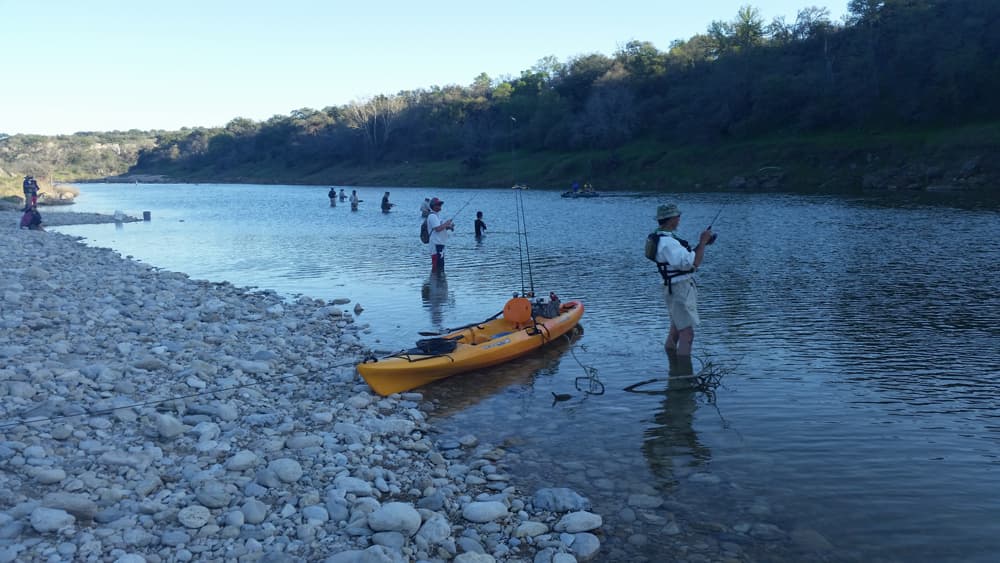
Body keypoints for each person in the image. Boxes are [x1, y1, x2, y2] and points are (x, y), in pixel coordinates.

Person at [652, 203, 713, 356]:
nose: (679, 219)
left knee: (676, 329)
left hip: (673, 287)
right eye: (678, 217)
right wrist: (703, 242)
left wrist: (701, 244)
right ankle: (684, 373)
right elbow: (693, 263)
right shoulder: (668, 242)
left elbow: (684, 259)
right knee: (687, 333)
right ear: (671, 219)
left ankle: (673, 364)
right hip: (679, 289)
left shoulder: (661, 237)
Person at [426, 197, 454, 272]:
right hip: (435, 246)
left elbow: (440, 228)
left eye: (440, 204)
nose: (439, 206)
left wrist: (449, 227)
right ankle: (435, 282)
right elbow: (437, 229)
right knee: (437, 267)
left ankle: (438, 282)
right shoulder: (432, 216)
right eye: (437, 204)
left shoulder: (437, 217)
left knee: (440, 267)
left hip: (440, 245)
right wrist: (446, 223)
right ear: (433, 206)